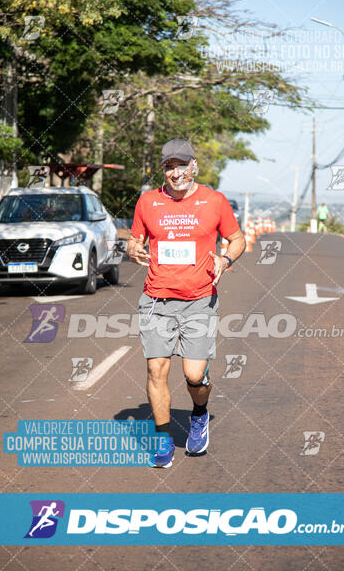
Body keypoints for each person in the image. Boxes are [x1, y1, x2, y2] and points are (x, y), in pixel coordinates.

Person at [127, 138, 245, 468]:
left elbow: (237, 239)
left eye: (181, 165)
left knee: (194, 375)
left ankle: (198, 413)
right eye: (168, 166)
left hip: (199, 300)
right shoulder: (148, 202)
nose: (175, 172)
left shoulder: (214, 201)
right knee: (155, 369)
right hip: (157, 298)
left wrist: (225, 259)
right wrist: (132, 249)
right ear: (162, 170)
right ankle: (163, 438)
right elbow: (135, 240)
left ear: (193, 166)